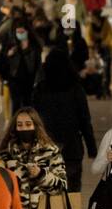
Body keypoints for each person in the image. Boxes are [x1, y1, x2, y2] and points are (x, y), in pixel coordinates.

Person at [33, 48, 96, 194]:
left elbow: (34, 120)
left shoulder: (40, 90)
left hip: (47, 146)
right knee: (72, 188)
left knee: (50, 188)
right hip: (72, 147)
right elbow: (85, 120)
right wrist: (91, 148)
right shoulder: (76, 89)